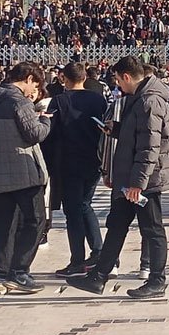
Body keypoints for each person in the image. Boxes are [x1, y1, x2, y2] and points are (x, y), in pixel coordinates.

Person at [67, 57, 169, 300]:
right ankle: (98, 277)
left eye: (118, 80)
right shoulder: (138, 98)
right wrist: (115, 130)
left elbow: (150, 146)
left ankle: (157, 281)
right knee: (116, 225)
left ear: (127, 76)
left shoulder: (150, 101)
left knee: (152, 229)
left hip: (144, 180)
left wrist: (138, 184)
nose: (118, 85)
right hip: (130, 177)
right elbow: (138, 133)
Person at [0, 62, 51, 295]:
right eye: (36, 85)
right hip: (23, 171)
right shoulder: (19, 101)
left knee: (4, 224)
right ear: (29, 78)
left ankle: (0, 274)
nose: (35, 91)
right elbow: (33, 134)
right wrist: (45, 120)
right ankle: (19, 272)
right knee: (36, 220)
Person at [50, 63, 109, 277]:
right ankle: (98, 251)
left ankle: (77, 260)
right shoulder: (98, 100)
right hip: (93, 160)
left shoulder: (59, 101)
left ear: (64, 78)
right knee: (85, 204)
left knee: (73, 212)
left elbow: (50, 133)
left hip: (68, 162)